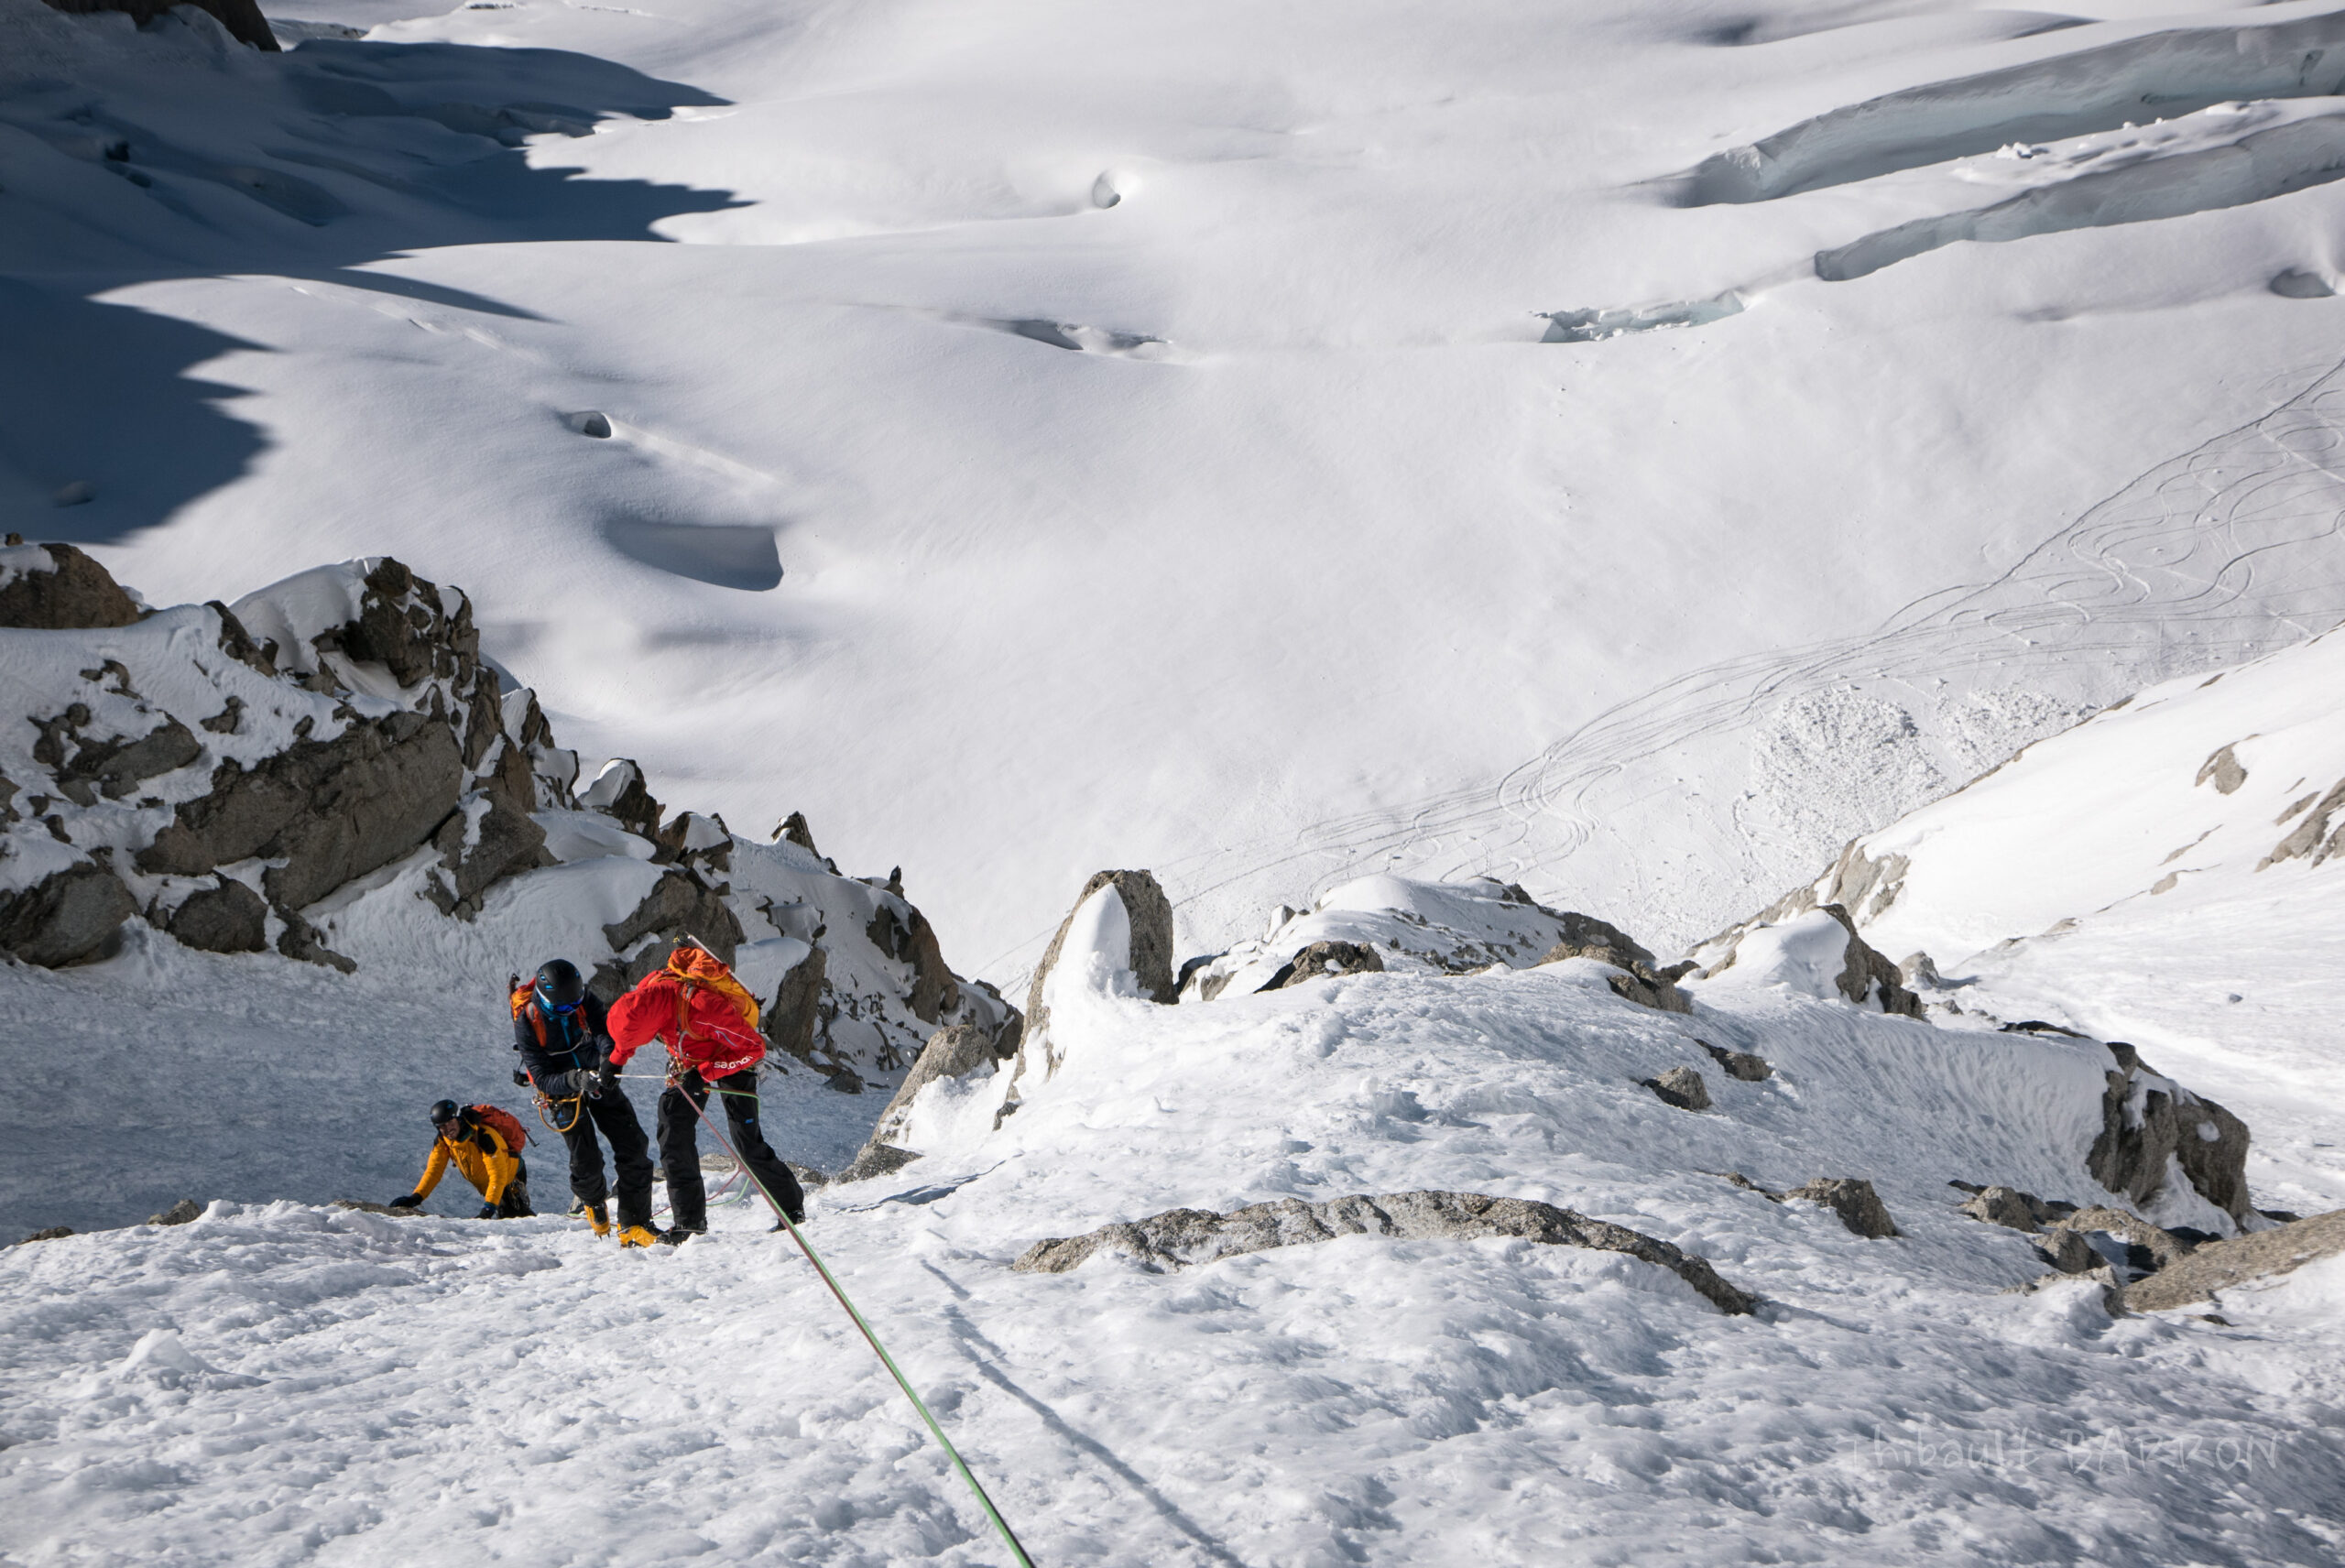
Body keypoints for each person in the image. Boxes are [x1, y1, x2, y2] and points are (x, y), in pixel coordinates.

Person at [607, 943, 805, 1244]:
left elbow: (753, 1048)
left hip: (732, 1059)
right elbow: (630, 1030)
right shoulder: (650, 991)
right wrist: (614, 1062)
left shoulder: (704, 1009)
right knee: (672, 1129)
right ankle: (690, 1224)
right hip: (690, 1060)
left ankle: (791, 1209)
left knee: (745, 1141)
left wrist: (702, 1075)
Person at [512, 958, 659, 1248]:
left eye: (573, 1005)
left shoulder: (583, 999)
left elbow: (604, 1031)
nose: (569, 1012)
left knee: (633, 1144)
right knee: (586, 1160)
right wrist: (575, 1080)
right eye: (562, 1009)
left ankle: (634, 1224)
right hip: (561, 1088)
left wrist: (608, 1061)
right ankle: (592, 1200)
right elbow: (541, 1077)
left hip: (596, 1076)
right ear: (545, 999)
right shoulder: (527, 1021)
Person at [389, 1100, 534, 1218]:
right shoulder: (443, 1140)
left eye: (450, 1123)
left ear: (457, 1119)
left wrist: (488, 1209)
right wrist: (415, 1198)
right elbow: (434, 1171)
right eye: (441, 1127)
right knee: (512, 1217)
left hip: (510, 1177)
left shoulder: (483, 1135)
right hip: (491, 1183)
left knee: (511, 1215)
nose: (447, 1129)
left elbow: (498, 1174)